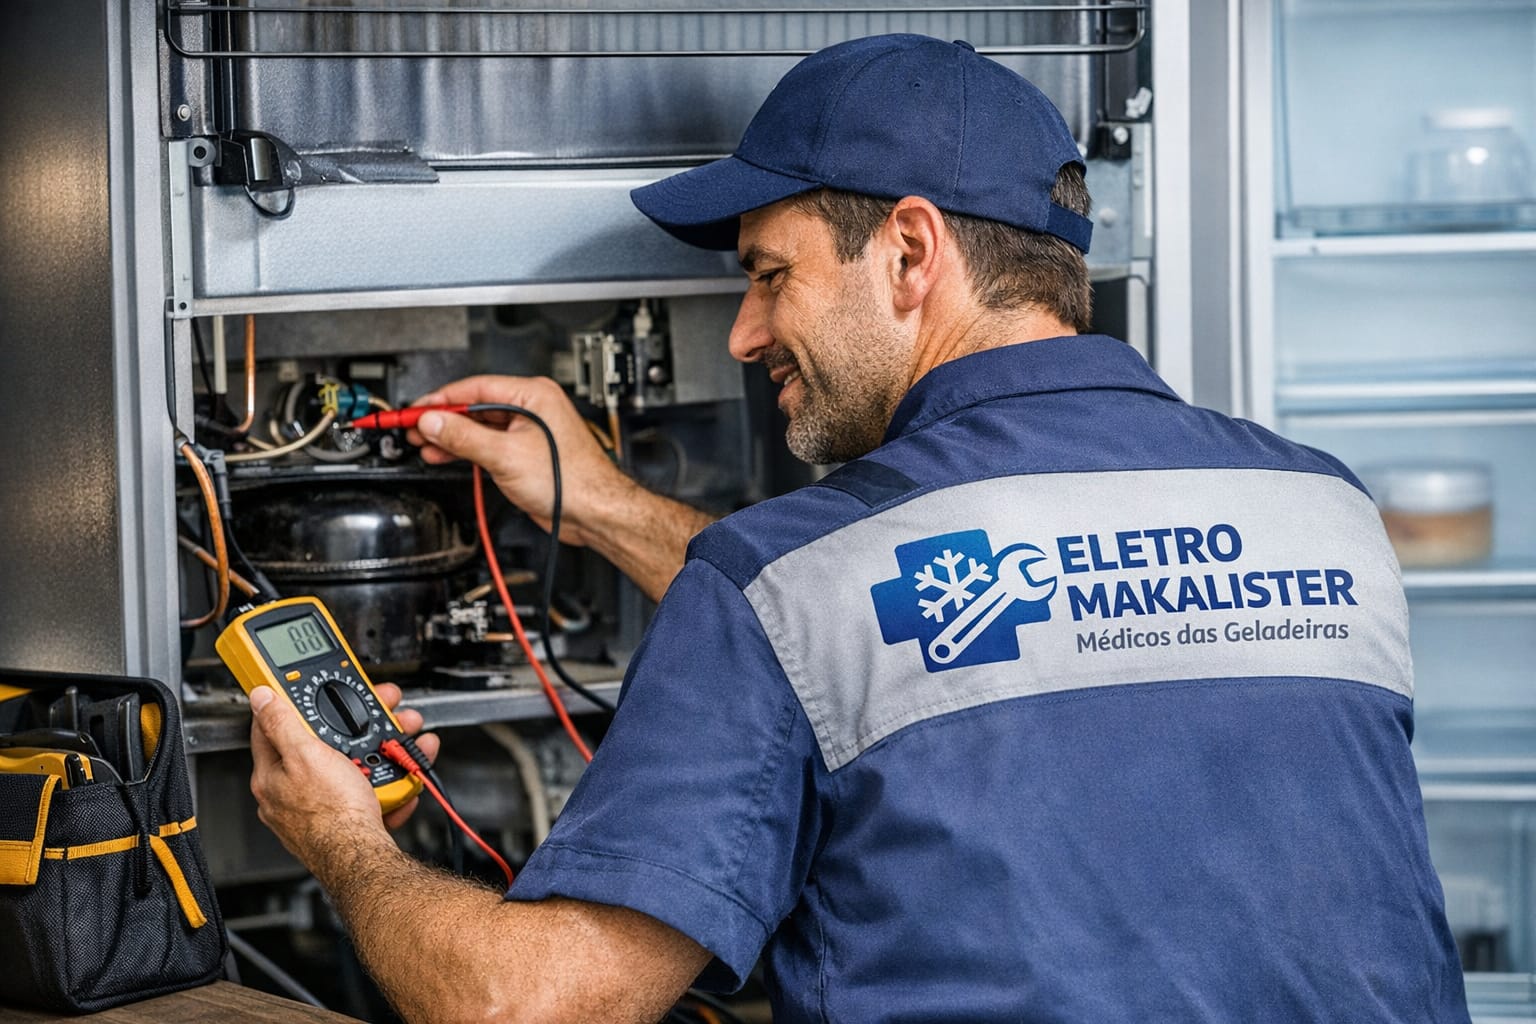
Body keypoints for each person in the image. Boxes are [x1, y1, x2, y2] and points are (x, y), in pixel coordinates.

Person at [246, 33, 1471, 1023]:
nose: (742, 334)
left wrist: (342, 838)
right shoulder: (1326, 511)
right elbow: (941, 623)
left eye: (768, 274)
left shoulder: (787, 589)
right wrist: (609, 504)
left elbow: (530, 1006)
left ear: (911, 250)